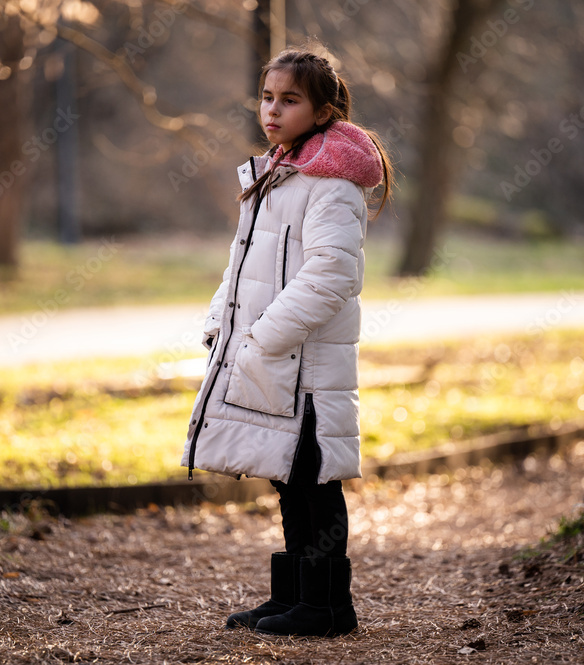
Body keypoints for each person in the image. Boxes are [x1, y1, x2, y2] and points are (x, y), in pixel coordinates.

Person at [181, 42, 393, 638]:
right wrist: (220, 323)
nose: (272, 110)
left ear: (322, 111)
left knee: (312, 479)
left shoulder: (331, 185)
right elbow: (242, 260)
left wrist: (261, 338)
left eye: (290, 100)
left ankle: (328, 606)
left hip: (302, 363)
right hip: (269, 356)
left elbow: (331, 276)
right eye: (267, 97)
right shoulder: (276, 171)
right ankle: (294, 598)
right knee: (287, 476)